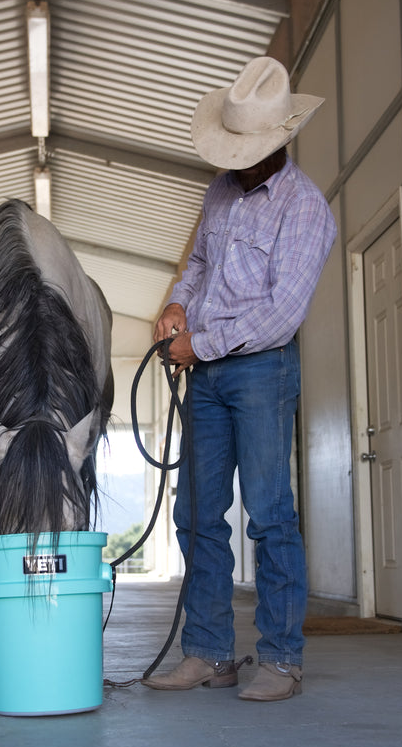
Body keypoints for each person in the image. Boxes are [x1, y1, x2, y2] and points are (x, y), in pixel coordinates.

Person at [143, 56, 336, 701]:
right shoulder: (220, 191)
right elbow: (199, 265)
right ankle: (209, 652)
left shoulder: (305, 209)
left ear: (280, 140)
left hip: (259, 370)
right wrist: (177, 304)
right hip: (206, 372)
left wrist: (202, 341)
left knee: (269, 514)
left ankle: (282, 659)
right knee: (197, 514)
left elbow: (282, 313)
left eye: (252, 150)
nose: (241, 162)